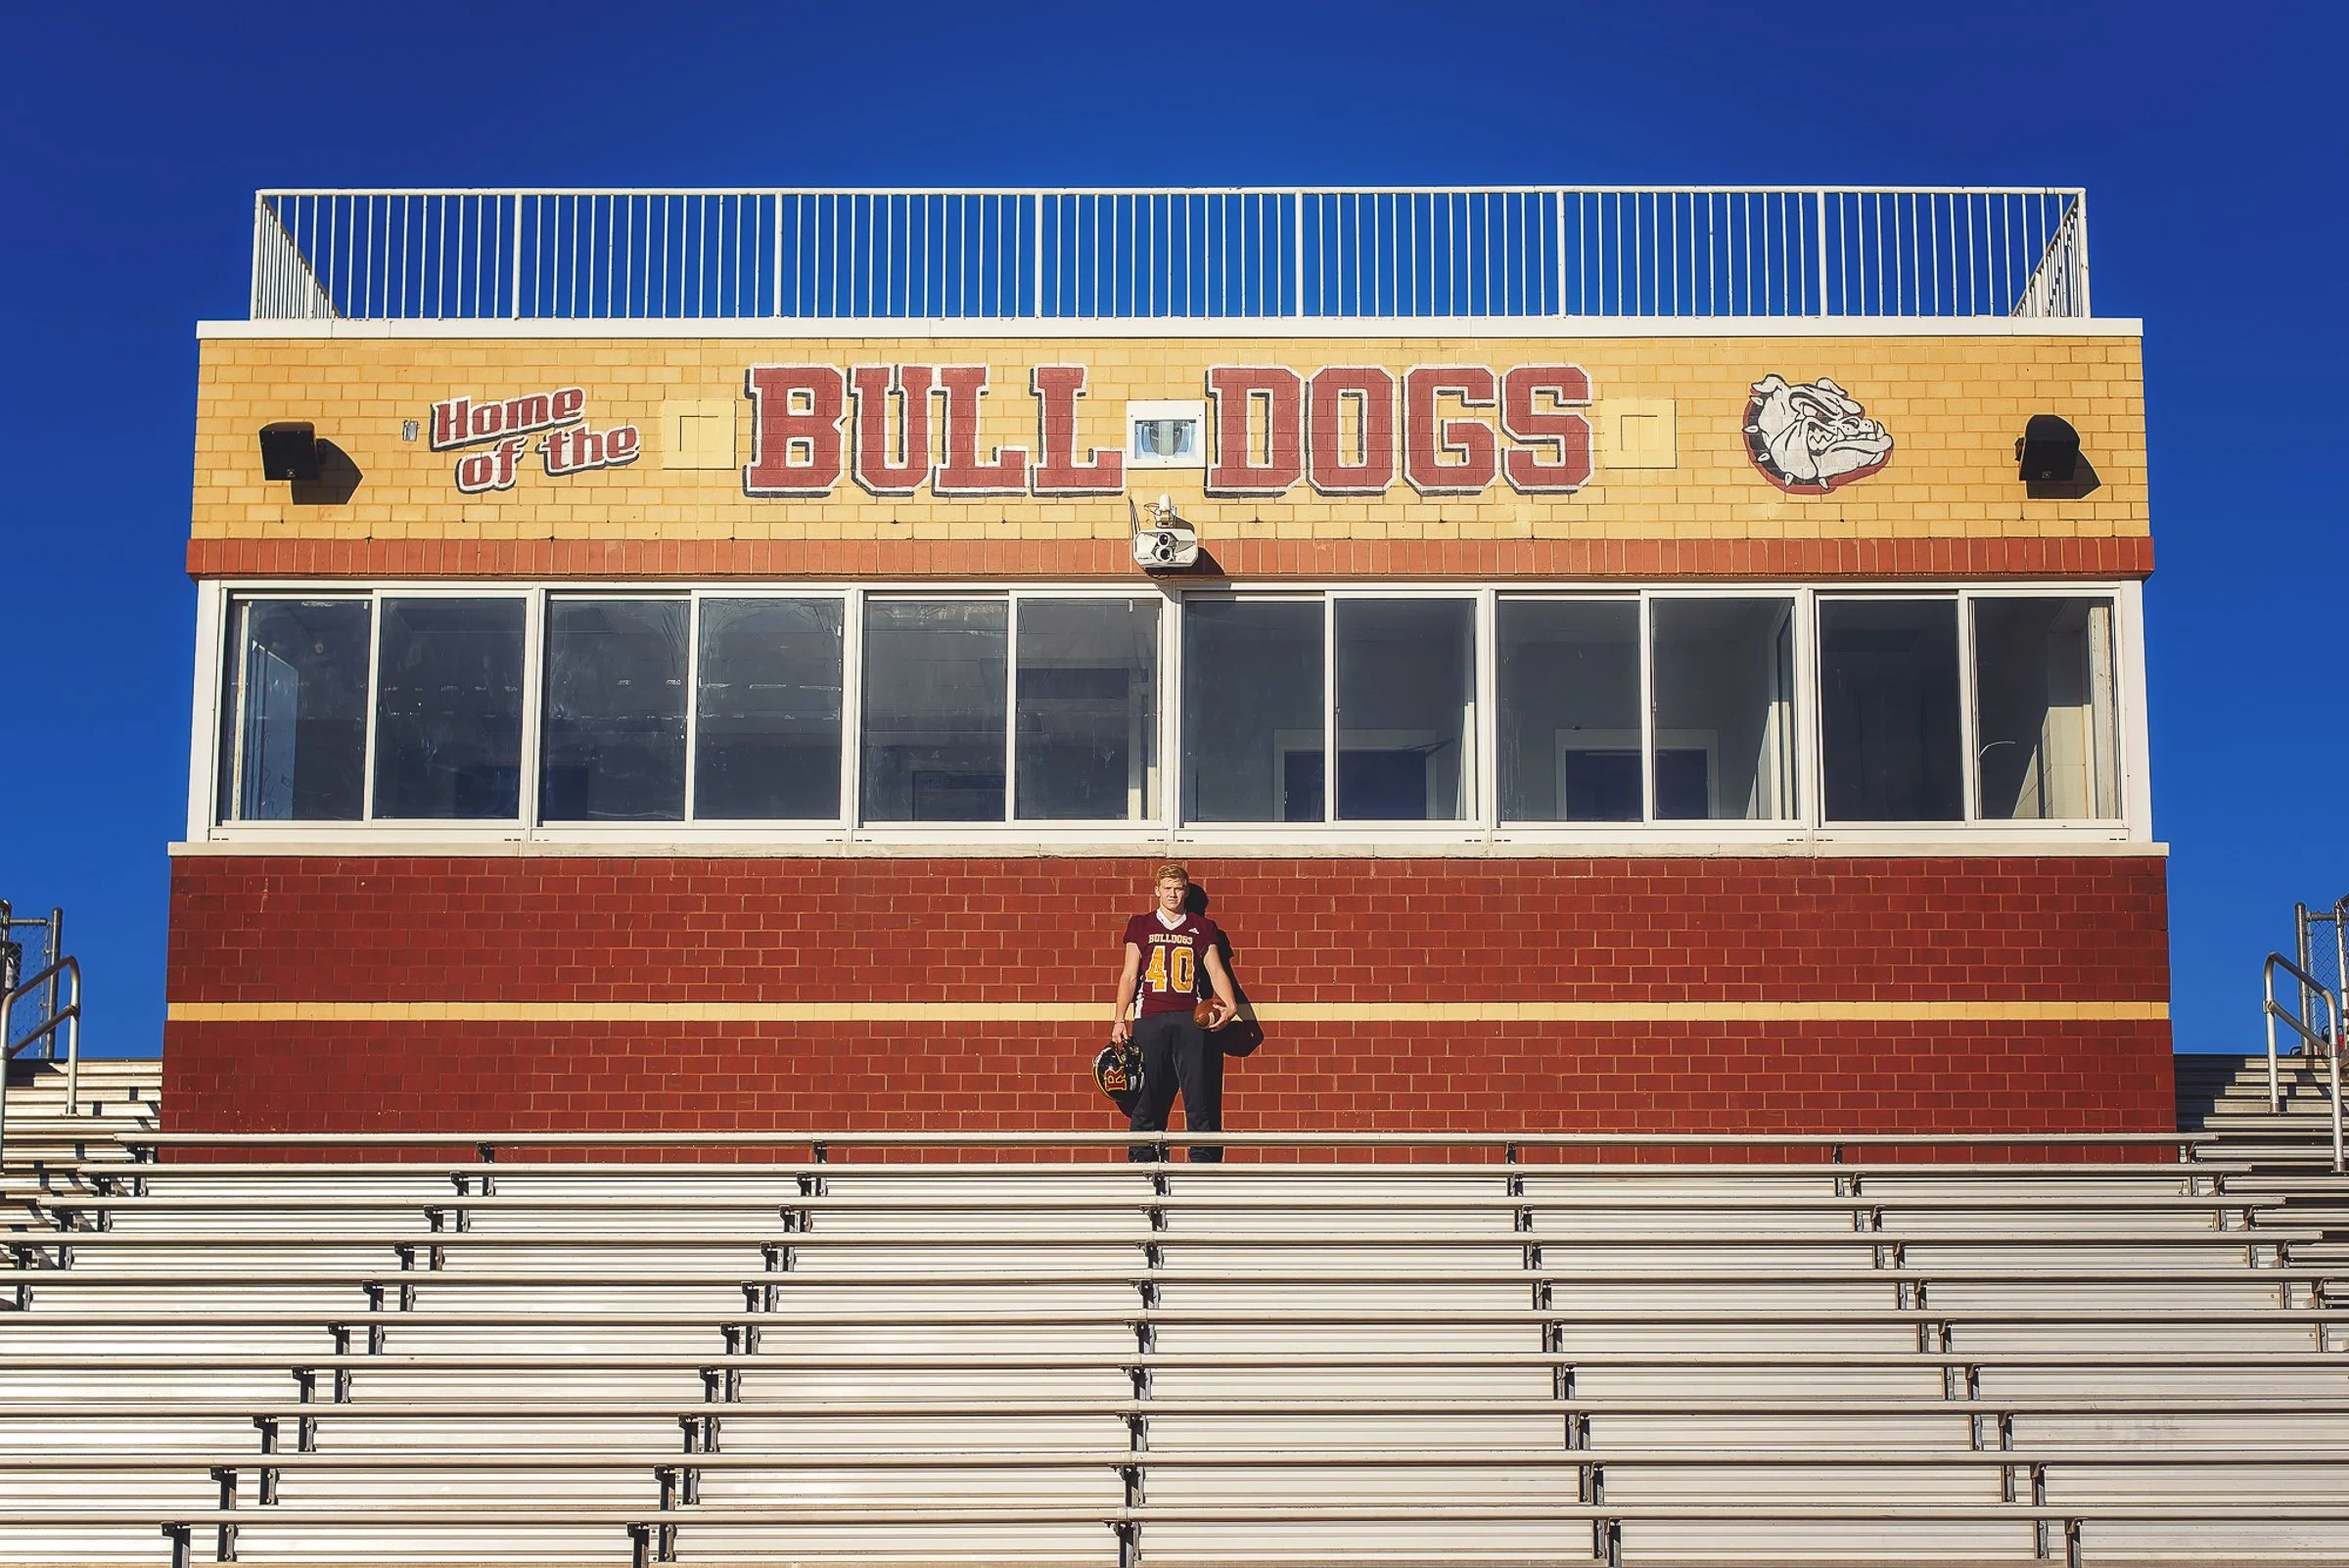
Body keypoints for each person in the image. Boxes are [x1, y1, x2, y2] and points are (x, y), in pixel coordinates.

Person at [1109, 863, 1238, 1161]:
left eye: (1178, 888)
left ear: (1186, 891)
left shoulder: (1201, 926)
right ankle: (1143, 1165)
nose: (1172, 894)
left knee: (1199, 1098)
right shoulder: (1140, 925)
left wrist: (1230, 1004)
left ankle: (1203, 1170)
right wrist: (1119, 1019)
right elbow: (1129, 975)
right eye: (1166, 888)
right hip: (1149, 1019)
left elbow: (1216, 969)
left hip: (1189, 1020)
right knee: (1147, 1097)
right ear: (1157, 891)